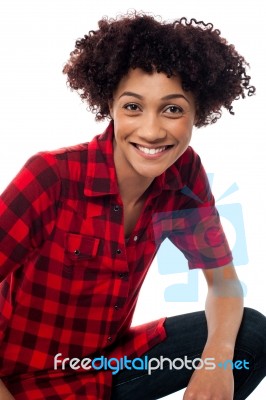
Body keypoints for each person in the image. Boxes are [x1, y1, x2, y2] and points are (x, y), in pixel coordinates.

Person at [0, 11, 265, 400]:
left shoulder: (184, 175)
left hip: (105, 370)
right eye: (133, 107)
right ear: (109, 103)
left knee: (251, 334)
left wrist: (216, 364)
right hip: (20, 380)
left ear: (198, 113)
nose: (152, 131)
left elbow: (224, 284)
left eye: (173, 109)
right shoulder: (52, 176)